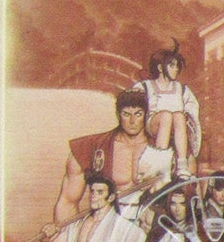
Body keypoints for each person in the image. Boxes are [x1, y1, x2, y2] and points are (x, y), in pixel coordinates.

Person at [56, 89, 166, 223]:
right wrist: (69, 232)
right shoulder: (90, 147)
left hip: (148, 224)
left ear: (146, 115)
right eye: (126, 114)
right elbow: (68, 201)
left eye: (138, 114)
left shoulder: (161, 148)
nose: (132, 121)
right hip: (108, 224)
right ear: (118, 115)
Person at [134, 43, 202, 181]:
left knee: (178, 115)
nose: (176, 69)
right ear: (160, 68)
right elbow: (134, 103)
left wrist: (186, 114)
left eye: (177, 66)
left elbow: (192, 106)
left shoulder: (181, 88)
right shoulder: (146, 86)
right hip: (153, 125)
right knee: (166, 116)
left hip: (176, 126)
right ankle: (161, 163)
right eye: (172, 65)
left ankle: (182, 164)